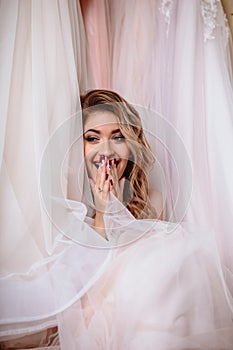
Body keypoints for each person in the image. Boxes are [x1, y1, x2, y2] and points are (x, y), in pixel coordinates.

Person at [55, 89, 233, 349]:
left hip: (146, 303)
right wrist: (103, 211)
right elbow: (87, 281)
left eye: (118, 137)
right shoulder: (69, 201)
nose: (106, 150)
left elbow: (151, 266)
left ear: (131, 143)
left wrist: (117, 206)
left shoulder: (151, 197)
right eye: (93, 138)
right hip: (99, 308)